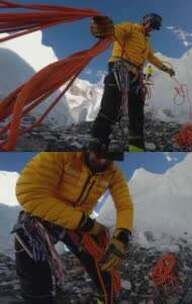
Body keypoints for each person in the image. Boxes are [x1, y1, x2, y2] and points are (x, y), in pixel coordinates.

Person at [13, 151, 134, 303]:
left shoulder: (113, 173)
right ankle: (39, 297)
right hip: (45, 215)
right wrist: (86, 224)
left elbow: (124, 206)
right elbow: (30, 193)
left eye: (110, 157)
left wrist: (122, 235)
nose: (103, 160)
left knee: (101, 259)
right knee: (29, 247)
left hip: (77, 222)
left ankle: (105, 297)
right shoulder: (60, 154)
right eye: (99, 153)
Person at [89, 13, 176, 152]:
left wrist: (166, 69)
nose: (151, 28)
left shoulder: (147, 42)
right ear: (145, 21)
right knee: (110, 109)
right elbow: (115, 31)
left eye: (154, 27)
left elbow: (152, 58)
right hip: (120, 68)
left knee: (137, 114)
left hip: (135, 76)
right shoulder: (129, 27)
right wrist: (105, 29)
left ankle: (136, 147)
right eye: (151, 24)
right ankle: (97, 146)